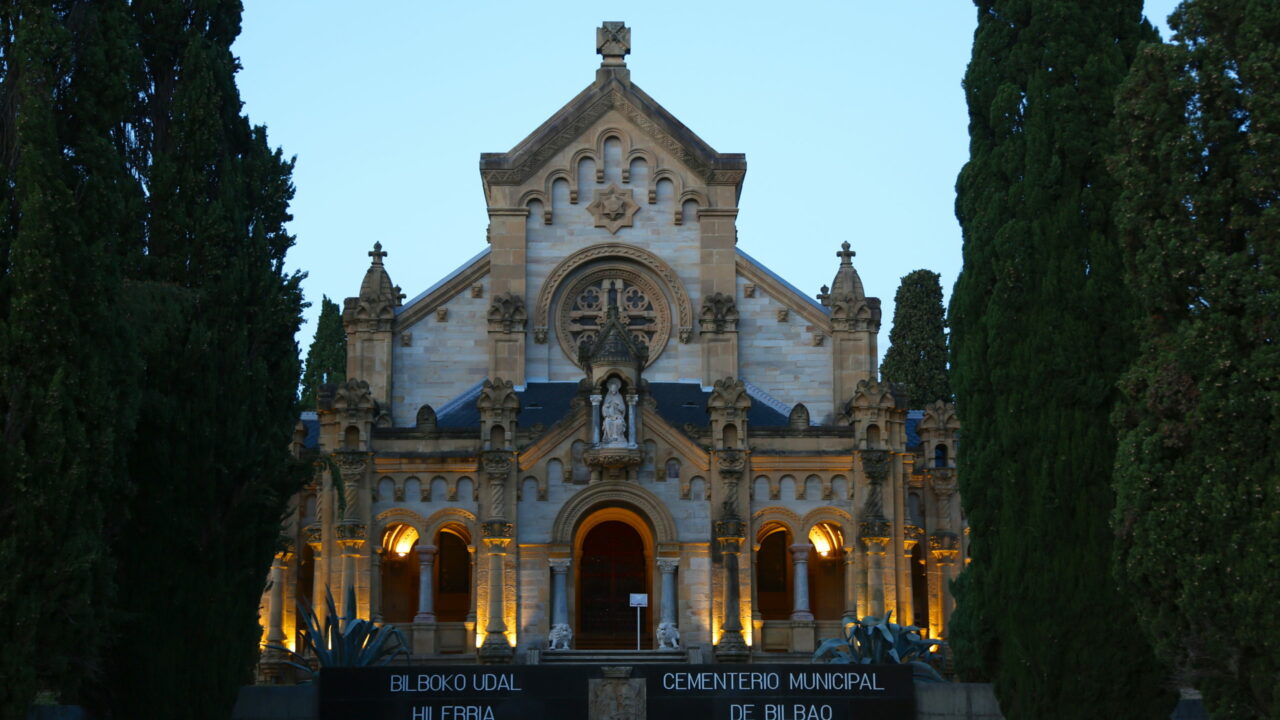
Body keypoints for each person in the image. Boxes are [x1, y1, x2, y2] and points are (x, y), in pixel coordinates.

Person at [601, 377, 627, 444]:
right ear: (610, 388)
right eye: (612, 388)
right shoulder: (608, 397)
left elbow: (623, 409)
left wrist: (618, 404)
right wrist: (605, 407)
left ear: (617, 389)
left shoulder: (619, 396)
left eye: (615, 388)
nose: (613, 389)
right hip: (609, 416)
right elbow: (604, 408)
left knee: (618, 422)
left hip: (618, 415)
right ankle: (609, 438)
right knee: (607, 421)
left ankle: (618, 437)